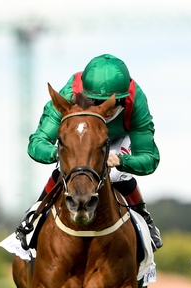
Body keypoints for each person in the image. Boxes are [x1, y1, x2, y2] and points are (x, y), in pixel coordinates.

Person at [18, 53, 162, 250]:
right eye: (93, 101)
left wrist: (121, 161)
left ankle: (144, 217)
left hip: (118, 139)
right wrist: (59, 154)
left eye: (109, 104)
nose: (101, 109)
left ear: (123, 99)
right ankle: (35, 214)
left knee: (117, 175)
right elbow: (37, 143)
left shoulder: (136, 101)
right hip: (82, 138)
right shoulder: (70, 94)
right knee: (67, 167)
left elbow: (150, 158)